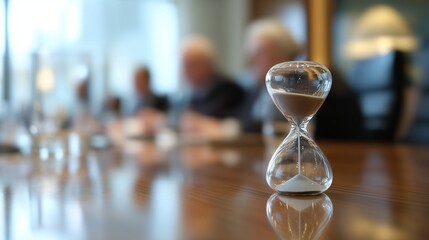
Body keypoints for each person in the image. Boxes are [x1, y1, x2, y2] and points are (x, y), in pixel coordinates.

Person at [239, 19, 302, 133]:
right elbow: (245, 121)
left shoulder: (299, 85)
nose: (252, 59)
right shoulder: (256, 88)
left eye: (259, 52)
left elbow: (278, 126)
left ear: (283, 54)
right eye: (251, 53)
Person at [177, 35, 245, 136]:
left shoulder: (229, 91)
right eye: (183, 65)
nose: (185, 71)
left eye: (190, 64)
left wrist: (202, 124)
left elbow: (240, 127)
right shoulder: (189, 95)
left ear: (208, 63)